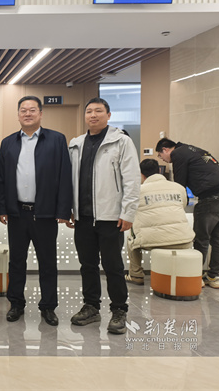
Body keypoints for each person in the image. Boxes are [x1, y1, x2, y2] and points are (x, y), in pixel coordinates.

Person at [0, 96, 73, 326]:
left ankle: (48, 307)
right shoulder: (8, 143)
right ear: (18, 114)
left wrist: (63, 210)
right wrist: (2, 208)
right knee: (16, 261)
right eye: (23, 110)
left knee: (47, 263)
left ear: (40, 113)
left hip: (45, 213)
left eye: (32, 110)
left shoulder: (56, 140)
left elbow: (64, 176)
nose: (27, 114)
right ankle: (16, 304)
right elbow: (1, 179)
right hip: (17, 212)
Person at [67, 97, 140, 335]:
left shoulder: (121, 141)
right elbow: (69, 179)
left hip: (111, 216)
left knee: (113, 266)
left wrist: (128, 212)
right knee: (87, 265)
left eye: (98, 111)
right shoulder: (76, 144)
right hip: (83, 217)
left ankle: (119, 309)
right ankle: (91, 306)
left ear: (108, 115)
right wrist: (69, 208)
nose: (93, 115)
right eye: (89, 111)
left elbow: (131, 179)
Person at [156, 137, 219, 289]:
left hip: (210, 197)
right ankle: (214, 277)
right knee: (218, 238)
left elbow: (179, 184)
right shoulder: (192, 150)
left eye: (160, 155)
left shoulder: (178, 154)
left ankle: (195, 276)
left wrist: (176, 205)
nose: (163, 160)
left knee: (202, 238)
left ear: (165, 149)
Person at [125, 159, 194, 285]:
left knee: (131, 239)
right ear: (158, 171)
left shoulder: (138, 191)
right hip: (184, 240)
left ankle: (136, 274)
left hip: (154, 241)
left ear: (141, 174)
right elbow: (183, 205)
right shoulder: (178, 187)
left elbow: (130, 211)